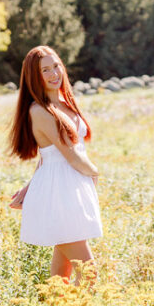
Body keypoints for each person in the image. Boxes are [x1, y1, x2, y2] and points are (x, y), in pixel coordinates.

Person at [8, 45, 103, 285]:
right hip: (59, 194)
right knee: (89, 272)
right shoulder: (38, 110)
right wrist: (96, 172)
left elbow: (49, 156)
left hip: (71, 188)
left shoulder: (65, 102)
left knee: (62, 273)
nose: (53, 74)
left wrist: (28, 187)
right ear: (34, 76)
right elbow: (69, 155)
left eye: (56, 66)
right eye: (45, 70)